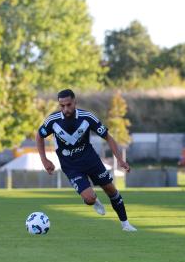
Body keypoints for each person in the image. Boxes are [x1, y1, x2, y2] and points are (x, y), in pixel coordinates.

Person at [36, 89, 137, 232]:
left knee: (111, 190)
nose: (65, 109)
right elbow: (39, 136)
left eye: (68, 105)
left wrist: (120, 160)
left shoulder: (87, 117)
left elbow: (108, 137)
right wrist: (44, 160)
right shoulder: (53, 121)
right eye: (62, 106)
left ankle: (126, 224)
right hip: (71, 166)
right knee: (89, 199)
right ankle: (94, 200)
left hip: (91, 161)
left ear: (75, 102)